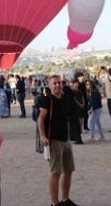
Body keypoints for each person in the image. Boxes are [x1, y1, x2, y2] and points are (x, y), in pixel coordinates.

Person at [38, 75, 79, 206]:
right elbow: (40, 119)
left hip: (65, 139)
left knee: (68, 170)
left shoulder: (64, 98)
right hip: (54, 140)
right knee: (55, 172)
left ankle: (65, 199)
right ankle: (54, 203)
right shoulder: (47, 100)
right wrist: (43, 136)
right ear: (49, 86)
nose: (57, 85)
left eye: (59, 83)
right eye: (54, 83)